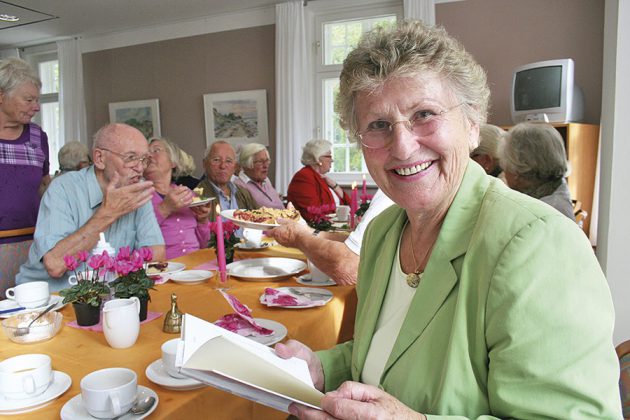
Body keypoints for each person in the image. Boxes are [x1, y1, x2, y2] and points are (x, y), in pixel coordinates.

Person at [275, 21, 620, 419]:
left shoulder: (539, 243)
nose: (402, 147)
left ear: (472, 126)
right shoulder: (384, 234)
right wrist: (321, 367)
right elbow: (386, 352)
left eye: (424, 114)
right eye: (379, 125)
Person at [16, 123, 165, 292]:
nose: (139, 168)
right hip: (48, 300)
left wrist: (124, 282)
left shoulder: (137, 189)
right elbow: (55, 265)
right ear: (100, 158)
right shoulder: (63, 189)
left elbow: (156, 257)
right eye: (130, 158)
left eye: (144, 159)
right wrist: (108, 213)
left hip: (107, 297)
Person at [268, 189, 393, 285]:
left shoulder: (390, 191)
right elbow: (364, 242)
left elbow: (348, 266)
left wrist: (297, 237)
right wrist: (307, 230)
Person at [0, 57, 50, 296]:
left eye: (38, 100)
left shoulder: (38, 137)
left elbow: (43, 186)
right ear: (1, 96)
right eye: (29, 99)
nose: (36, 107)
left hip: (31, 246)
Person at [144, 137, 212, 259]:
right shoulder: (138, 197)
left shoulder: (189, 195)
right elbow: (135, 239)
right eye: (146, 153)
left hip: (196, 265)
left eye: (156, 150)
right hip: (162, 269)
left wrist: (202, 221)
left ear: (173, 161)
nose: (149, 155)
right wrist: (164, 209)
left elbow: (204, 244)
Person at [498, 122, 575, 220]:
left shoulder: (541, 214)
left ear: (518, 173)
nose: (504, 174)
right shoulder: (556, 188)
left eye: (506, 167)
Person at [287, 139, 350, 220]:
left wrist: (335, 185)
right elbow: (312, 213)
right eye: (329, 156)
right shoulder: (303, 177)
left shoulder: (322, 178)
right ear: (318, 159)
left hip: (334, 225)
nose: (332, 160)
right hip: (315, 229)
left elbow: (349, 205)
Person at [196, 141, 259, 222]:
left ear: (235, 167)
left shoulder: (243, 193)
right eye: (216, 160)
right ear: (204, 164)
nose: (222, 166)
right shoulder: (198, 197)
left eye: (228, 161)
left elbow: (260, 218)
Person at [234, 143, 284, 209]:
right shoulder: (239, 186)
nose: (265, 166)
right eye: (260, 162)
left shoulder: (266, 180)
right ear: (247, 165)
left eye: (267, 161)